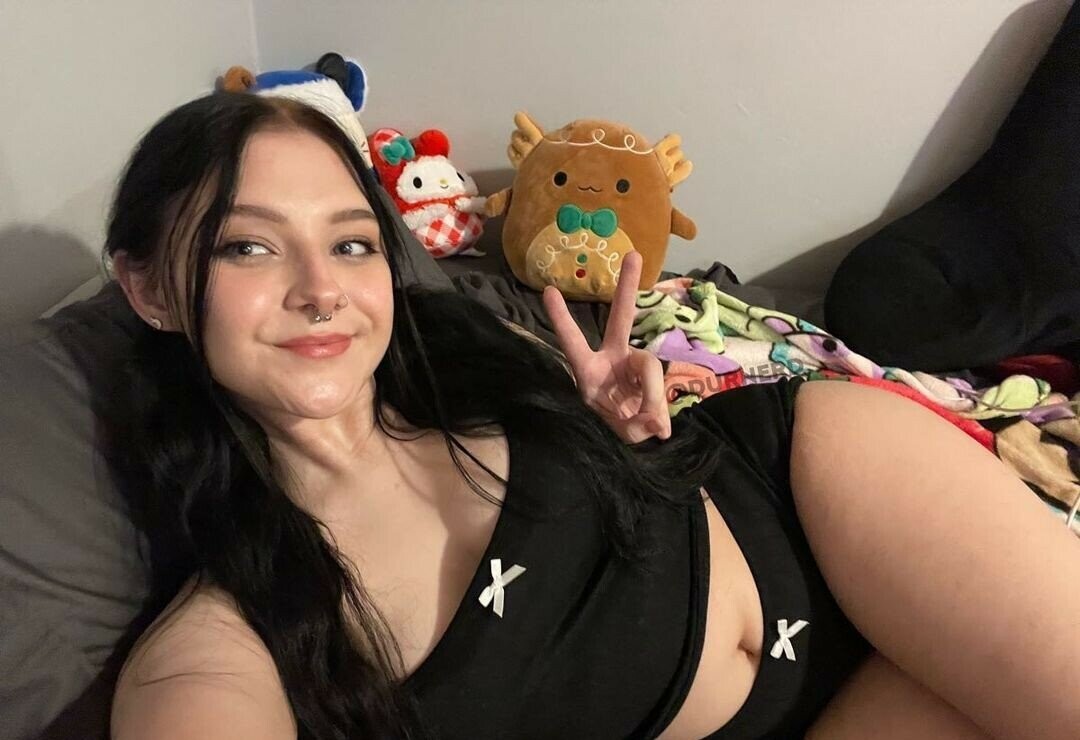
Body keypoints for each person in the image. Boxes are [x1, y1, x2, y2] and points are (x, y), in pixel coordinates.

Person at [103, 92, 1080, 740]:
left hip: (812, 489)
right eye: (247, 247)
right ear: (147, 287)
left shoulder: (471, 370)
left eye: (353, 245)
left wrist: (603, 431)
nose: (322, 289)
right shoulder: (222, 649)